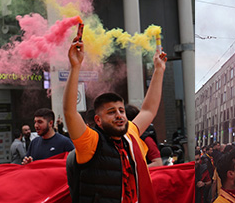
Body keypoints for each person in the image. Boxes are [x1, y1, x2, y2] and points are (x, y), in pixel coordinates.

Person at [63, 38, 167, 203]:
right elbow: (70, 113)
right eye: (111, 112)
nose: (119, 115)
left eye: (121, 111)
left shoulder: (129, 134)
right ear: (98, 120)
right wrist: (75, 67)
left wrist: (159, 70)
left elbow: (148, 110)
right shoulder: (90, 141)